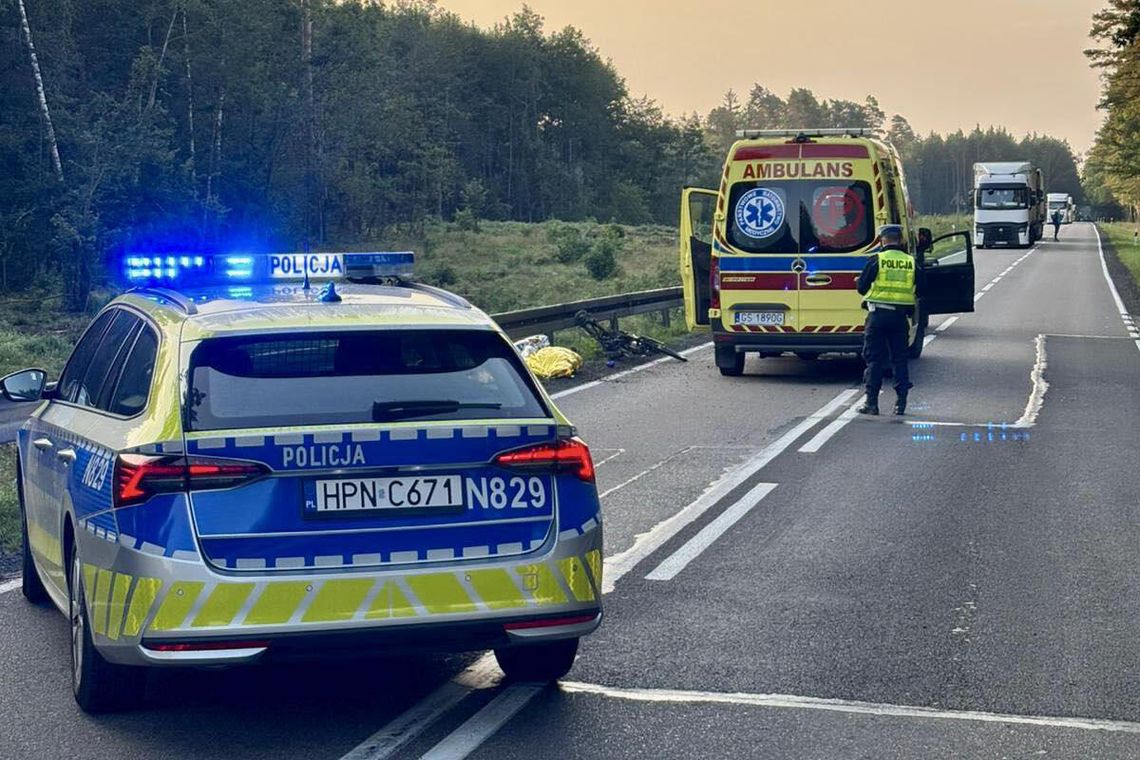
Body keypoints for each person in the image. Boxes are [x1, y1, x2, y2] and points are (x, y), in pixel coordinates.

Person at [856, 224, 924, 416]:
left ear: (882, 240)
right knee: (899, 360)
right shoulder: (911, 262)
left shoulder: (876, 260)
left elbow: (861, 287)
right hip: (899, 318)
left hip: (877, 317)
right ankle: (900, 404)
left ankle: (871, 404)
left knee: (875, 360)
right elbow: (923, 289)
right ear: (901, 240)